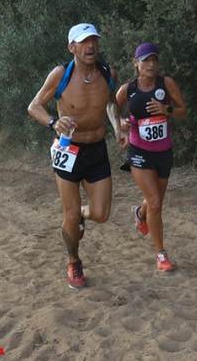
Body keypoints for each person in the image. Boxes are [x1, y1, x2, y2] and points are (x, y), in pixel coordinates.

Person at [28, 23, 127, 289]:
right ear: (72, 47)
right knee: (69, 215)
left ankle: (84, 214)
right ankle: (74, 261)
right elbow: (34, 106)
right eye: (84, 42)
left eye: (94, 40)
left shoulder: (108, 73)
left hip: (96, 149)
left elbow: (110, 103)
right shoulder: (61, 74)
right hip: (68, 150)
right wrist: (52, 123)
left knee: (102, 213)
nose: (90, 46)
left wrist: (117, 127)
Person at [115, 42, 187, 272]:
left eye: (154, 59)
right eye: (145, 60)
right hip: (139, 150)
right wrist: (120, 124)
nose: (151, 64)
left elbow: (183, 111)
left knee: (155, 201)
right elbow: (110, 108)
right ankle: (161, 254)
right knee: (155, 202)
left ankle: (140, 213)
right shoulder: (128, 89)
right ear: (135, 63)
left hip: (163, 152)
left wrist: (167, 111)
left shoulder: (166, 84)